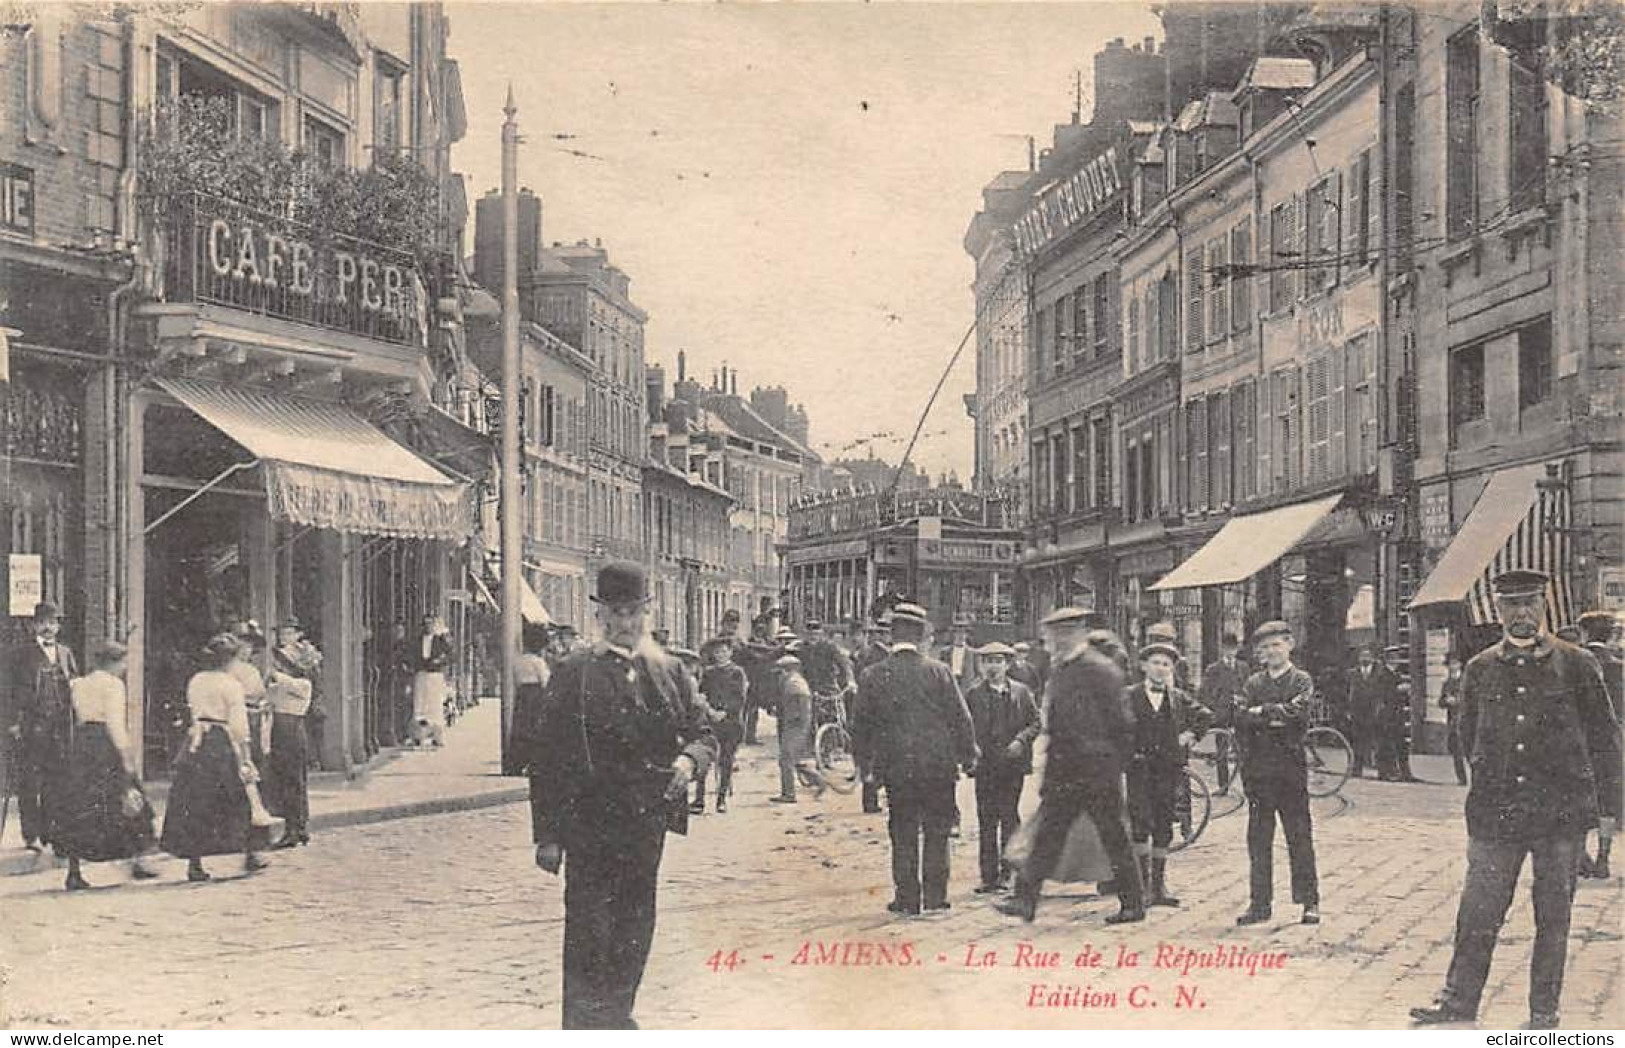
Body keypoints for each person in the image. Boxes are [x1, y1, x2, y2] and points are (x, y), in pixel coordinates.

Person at [1411, 570, 1622, 1030]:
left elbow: (1606, 739)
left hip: (1560, 816)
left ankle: (1543, 1015)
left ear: (1544, 606)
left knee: (1553, 918)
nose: (1521, 614)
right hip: (1496, 815)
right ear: (1498, 610)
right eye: (1511, 605)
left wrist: (1607, 809)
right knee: (1478, 912)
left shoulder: (1578, 664)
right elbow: (1469, 736)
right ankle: (1457, 1002)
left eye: (1529, 604)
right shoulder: (1480, 667)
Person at [526, 560, 717, 1029]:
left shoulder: (668, 671)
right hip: (588, 825)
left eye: (634, 612)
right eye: (616, 613)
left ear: (646, 612)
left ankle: (616, 1017)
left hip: (646, 825)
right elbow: (547, 759)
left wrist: (689, 761)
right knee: (589, 930)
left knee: (635, 928)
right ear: (600, 616)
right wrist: (547, 836)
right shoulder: (574, 672)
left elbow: (705, 732)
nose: (626, 623)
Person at [997, 610, 1145, 925]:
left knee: (1113, 837)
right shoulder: (1060, 670)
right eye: (1051, 636)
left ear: (1073, 635)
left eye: (1056, 636)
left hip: (1097, 773)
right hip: (1065, 773)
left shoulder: (1102, 670)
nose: (1051, 642)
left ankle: (1134, 904)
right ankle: (1025, 899)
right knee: (1048, 835)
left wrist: (1111, 766)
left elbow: (1123, 725)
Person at [853, 602, 977, 916]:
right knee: (937, 830)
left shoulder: (873, 675)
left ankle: (907, 898)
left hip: (897, 768)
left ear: (891, 636)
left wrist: (865, 767)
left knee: (903, 830)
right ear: (922, 636)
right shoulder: (939, 671)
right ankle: (936, 896)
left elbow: (861, 727)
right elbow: (961, 719)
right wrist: (967, 756)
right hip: (938, 767)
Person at [161, 634, 272, 881]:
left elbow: (193, 711)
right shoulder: (231, 684)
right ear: (229, 660)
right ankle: (250, 852)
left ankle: (194, 862)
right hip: (220, 741)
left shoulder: (197, 680)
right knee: (238, 795)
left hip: (197, 740)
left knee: (194, 800)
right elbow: (239, 726)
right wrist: (245, 757)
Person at [1235, 621, 1321, 926]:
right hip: (1258, 771)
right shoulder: (1253, 683)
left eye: (1277, 645)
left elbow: (1298, 715)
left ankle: (1309, 902)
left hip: (1290, 769)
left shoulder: (1301, 680)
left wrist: (1263, 713)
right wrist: (1273, 714)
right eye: (1266, 647)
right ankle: (1260, 903)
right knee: (1258, 839)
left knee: (1299, 835)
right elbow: (1240, 717)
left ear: (1290, 645)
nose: (1272, 651)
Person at [56, 641, 157, 890]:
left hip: (81, 744)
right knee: (126, 797)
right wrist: (125, 755)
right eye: (123, 663)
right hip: (104, 744)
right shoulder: (113, 685)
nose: (124, 668)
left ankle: (74, 870)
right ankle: (137, 860)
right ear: (114, 662)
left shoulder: (79, 684)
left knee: (80, 802)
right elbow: (115, 723)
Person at [1127, 640, 1214, 908]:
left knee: (1164, 823)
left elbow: (1206, 716)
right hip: (1139, 769)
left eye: (1166, 664)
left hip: (1168, 769)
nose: (1161, 668)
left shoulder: (1178, 698)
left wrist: (1189, 735)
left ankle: (1158, 888)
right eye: (1155, 662)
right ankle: (1141, 887)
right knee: (1140, 823)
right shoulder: (1129, 695)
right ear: (1143, 666)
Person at [964, 642, 1040, 894]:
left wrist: (1021, 740)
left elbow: (1036, 722)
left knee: (1009, 816)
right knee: (987, 819)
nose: (992, 666)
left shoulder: (1021, 692)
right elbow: (963, 725)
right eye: (987, 661)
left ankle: (1008, 872)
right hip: (986, 765)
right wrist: (971, 747)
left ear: (1008, 664)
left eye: (998, 661)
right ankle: (988, 877)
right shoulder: (973, 694)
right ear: (981, 665)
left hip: (1012, 765)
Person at [3, 601, 77, 855]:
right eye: (43, 622)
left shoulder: (66, 653)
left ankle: (50, 832)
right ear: (34, 625)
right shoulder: (20, 654)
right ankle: (31, 834)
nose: (48, 627)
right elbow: (8, 692)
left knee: (55, 780)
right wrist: (12, 722)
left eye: (53, 622)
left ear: (58, 626)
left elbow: (74, 686)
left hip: (59, 728)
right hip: (31, 726)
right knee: (30, 781)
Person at [1577, 609, 1622, 879]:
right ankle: (1603, 858)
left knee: (1577, 796)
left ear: (1584, 633)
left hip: (1580, 742)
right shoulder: (1619, 666)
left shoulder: (1575, 663)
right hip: (1611, 743)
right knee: (1607, 800)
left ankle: (1581, 856)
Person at [267, 620, 317, 848]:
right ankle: (298, 826)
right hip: (284, 727)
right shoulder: (289, 684)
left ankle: (294, 828)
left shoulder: (300, 685)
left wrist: (278, 678)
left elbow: (289, 686)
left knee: (291, 779)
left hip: (290, 728)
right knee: (290, 779)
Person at [694, 636, 747, 814]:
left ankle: (721, 799)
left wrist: (724, 712)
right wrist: (709, 711)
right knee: (703, 759)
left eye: (724, 651)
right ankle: (699, 800)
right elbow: (701, 695)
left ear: (730, 653)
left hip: (731, 722)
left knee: (726, 760)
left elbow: (740, 698)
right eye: (717, 652)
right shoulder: (708, 673)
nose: (721, 655)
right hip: (710, 722)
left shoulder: (737, 672)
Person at [1198, 632, 1246, 794]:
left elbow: (1249, 689)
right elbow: (1203, 692)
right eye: (1227, 648)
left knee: (1245, 750)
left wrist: (1243, 699)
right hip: (1222, 716)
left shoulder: (1243, 668)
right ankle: (1223, 786)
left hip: (1241, 715)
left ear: (1237, 649)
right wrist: (1215, 707)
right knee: (1222, 752)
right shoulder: (1213, 669)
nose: (1230, 651)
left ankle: (1249, 785)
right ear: (1222, 649)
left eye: (1233, 648)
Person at [770, 653, 818, 803]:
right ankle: (819, 781)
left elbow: (801, 707)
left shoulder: (795, 684)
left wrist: (794, 721)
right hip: (793, 724)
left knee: (786, 759)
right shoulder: (792, 682)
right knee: (792, 759)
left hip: (795, 725)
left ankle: (789, 794)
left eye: (781, 670)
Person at [1346, 643, 1397, 779]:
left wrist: (1381, 708)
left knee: (1379, 744)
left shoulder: (1380, 672)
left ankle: (1383, 772)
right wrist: (1349, 710)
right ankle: (1357, 770)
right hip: (1358, 713)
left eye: (1367, 655)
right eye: (1362, 655)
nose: (1364, 658)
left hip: (1376, 713)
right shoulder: (1353, 673)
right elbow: (1350, 693)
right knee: (1358, 743)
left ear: (1373, 658)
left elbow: (1385, 693)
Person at [409, 614, 452, 747]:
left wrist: (440, 661)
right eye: (426, 624)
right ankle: (418, 736)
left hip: (435, 675)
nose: (428, 626)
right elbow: (412, 655)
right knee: (420, 705)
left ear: (434, 625)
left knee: (435, 705)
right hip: (421, 674)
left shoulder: (440, 640)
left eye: (430, 624)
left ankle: (437, 737)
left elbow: (451, 654)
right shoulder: (417, 641)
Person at [1383, 646, 1419, 782]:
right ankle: (1391, 772)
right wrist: (1397, 690)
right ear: (1388, 659)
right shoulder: (1383, 674)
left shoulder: (1396, 674)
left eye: (1397, 657)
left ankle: (1405, 773)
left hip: (1398, 716)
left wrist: (1405, 694)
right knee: (1389, 745)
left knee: (1401, 745)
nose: (1397, 659)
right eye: (1394, 657)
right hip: (1387, 716)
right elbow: (1382, 694)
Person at [1439, 656, 1469, 787]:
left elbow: (1472, 699)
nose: (1452, 667)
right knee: (1455, 750)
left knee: (1468, 749)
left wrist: (1458, 702)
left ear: (1460, 664)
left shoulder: (1467, 681)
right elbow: (1440, 702)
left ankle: (1474, 777)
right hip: (1452, 721)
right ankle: (1462, 778)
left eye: (1455, 663)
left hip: (1465, 720)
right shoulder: (1447, 683)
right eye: (1450, 664)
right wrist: (1446, 701)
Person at [938, 616, 979, 693]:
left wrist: (972, 686)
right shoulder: (945, 652)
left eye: (964, 632)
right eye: (958, 632)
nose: (961, 635)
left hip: (966, 689)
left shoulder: (973, 653)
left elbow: (980, 675)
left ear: (967, 635)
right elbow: (940, 671)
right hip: (950, 687)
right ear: (954, 634)